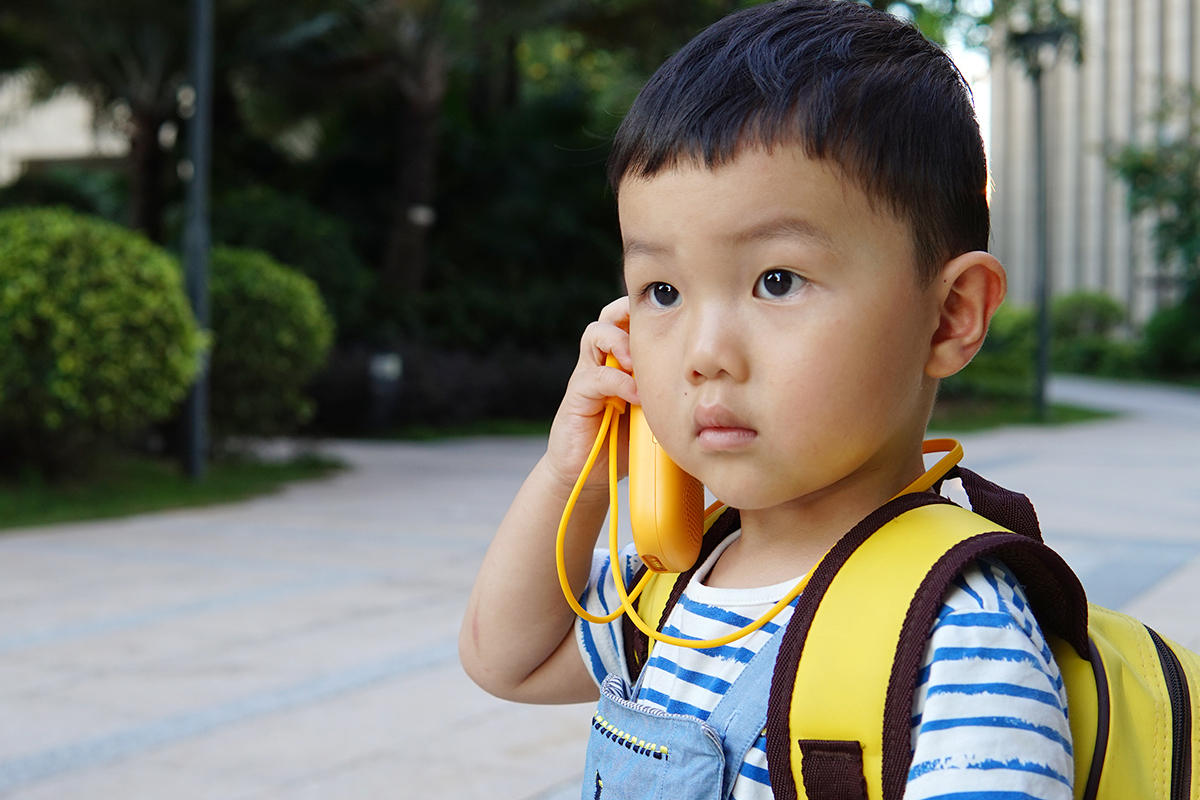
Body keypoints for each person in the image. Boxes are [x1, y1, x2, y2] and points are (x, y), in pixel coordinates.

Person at [459, 2, 1074, 797]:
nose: (704, 354)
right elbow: (504, 660)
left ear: (950, 315)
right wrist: (568, 476)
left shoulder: (958, 637)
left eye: (775, 281)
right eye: (663, 291)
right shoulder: (672, 582)